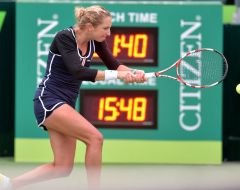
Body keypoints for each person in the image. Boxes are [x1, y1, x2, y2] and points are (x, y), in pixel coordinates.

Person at [0, 5, 146, 190]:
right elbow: (78, 71)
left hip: (65, 103)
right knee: (95, 138)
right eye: (106, 28)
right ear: (90, 26)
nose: (109, 33)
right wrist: (119, 76)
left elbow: (114, 65)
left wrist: (134, 73)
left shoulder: (96, 41)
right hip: (49, 100)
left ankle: (9, 185)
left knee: (62, 167)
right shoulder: (65, 37)